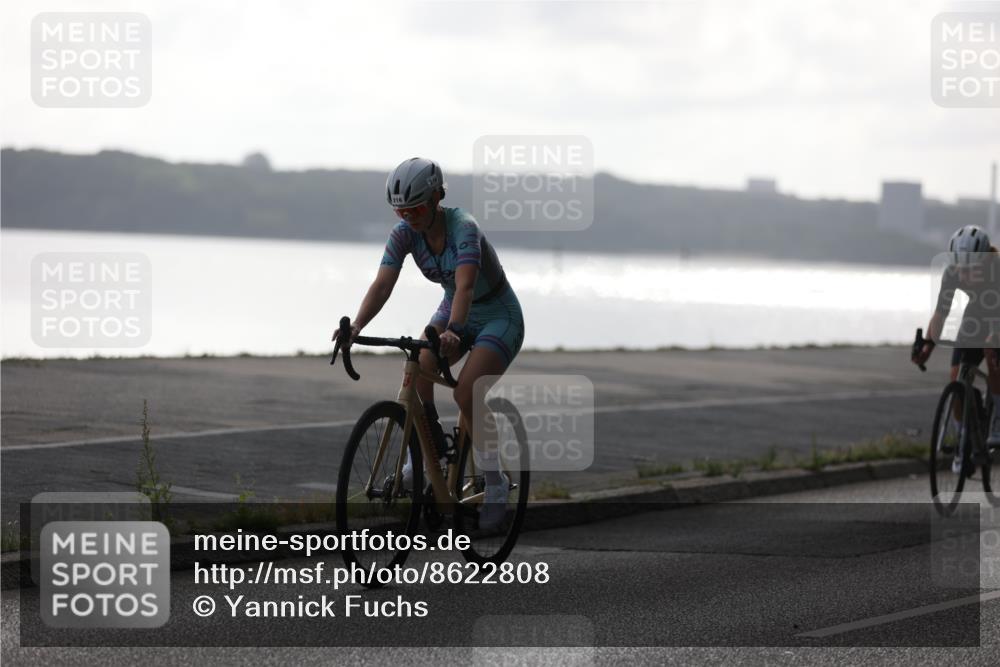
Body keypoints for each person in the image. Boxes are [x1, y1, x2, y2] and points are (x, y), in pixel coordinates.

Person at [335, 157, 525, 529]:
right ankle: (429, 445)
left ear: (437, 197)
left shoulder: (464, 228)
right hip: (452, 305)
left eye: (417, 208)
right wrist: (356, 325)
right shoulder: (403, 233)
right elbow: (383, 284)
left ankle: (495, 480)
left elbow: (467, 286)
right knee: (419, 363)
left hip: (496, 313)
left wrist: (454, 330)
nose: (409, 217)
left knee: (467, 392)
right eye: (400, 210)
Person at [912, 225, 1000, 473]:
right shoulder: (952, 273)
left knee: (992, 351)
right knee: (957, 376)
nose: (966, 273)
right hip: (977, 314)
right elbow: (941, 314)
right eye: (961, 267)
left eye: (972, 268)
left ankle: (997, 419)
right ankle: (966, 441)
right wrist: (927, 346)